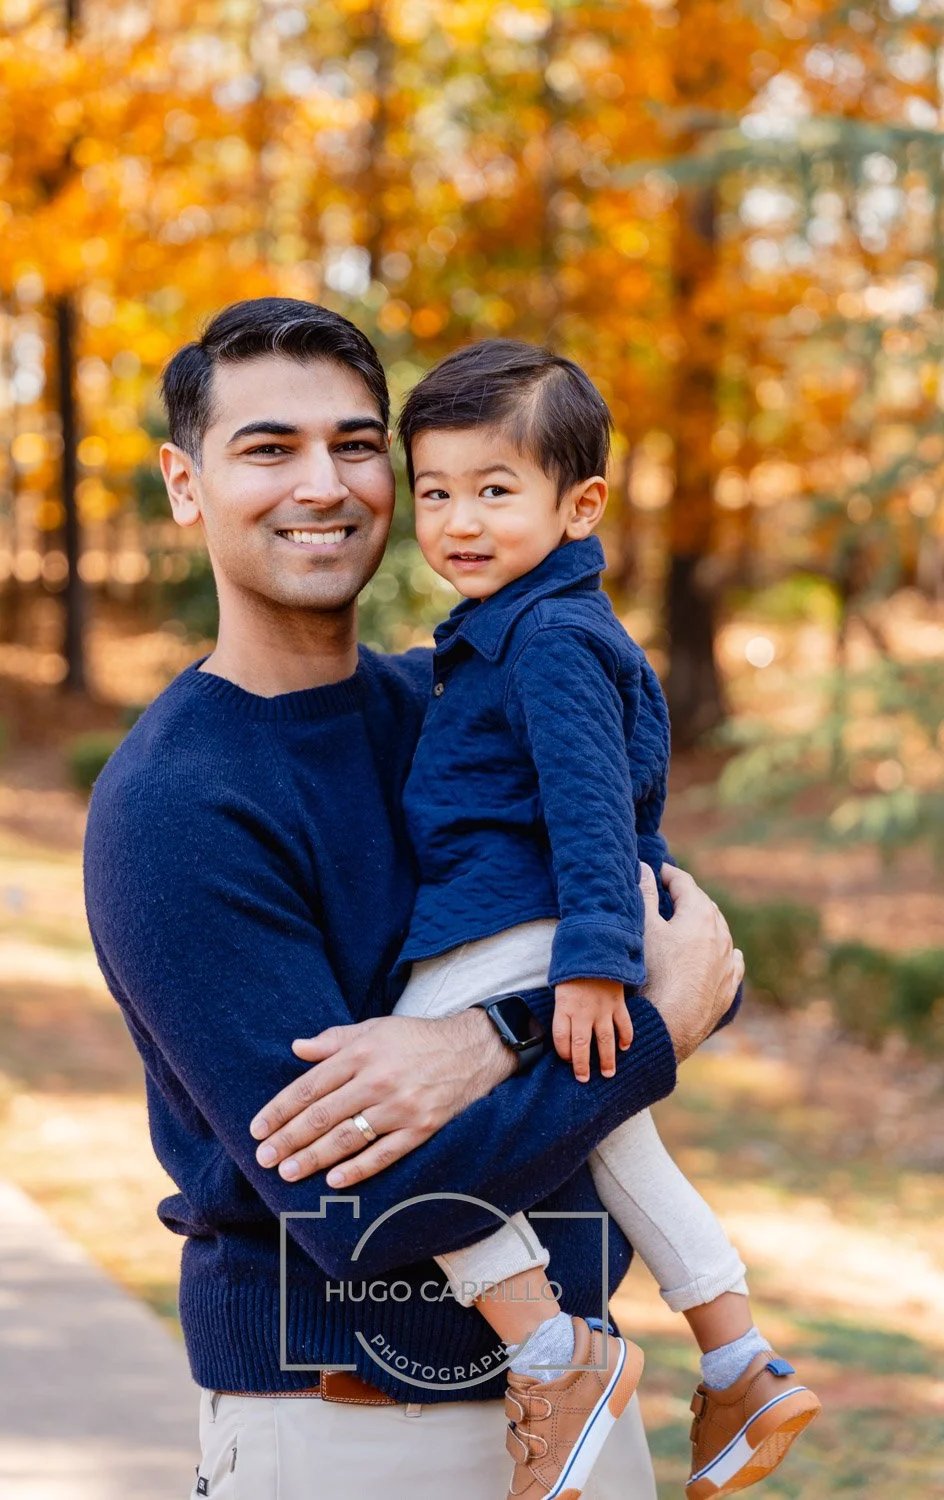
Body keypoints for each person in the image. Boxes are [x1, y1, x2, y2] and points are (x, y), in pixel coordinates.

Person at [83, 298, 743, 1500]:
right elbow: (361, 1205)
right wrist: (640, 1031)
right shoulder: (176, 806)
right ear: (185, 484)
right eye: (268, 448)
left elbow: (676, 945)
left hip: (585, 1408)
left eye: (354, 445)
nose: (323, 484)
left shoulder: (453, 701)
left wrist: (491, 1043)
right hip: (351, 1427)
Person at [346, 338, 818, 1500]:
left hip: (523, 935)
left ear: (578, 504)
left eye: (494, 490)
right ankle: (741, 1358)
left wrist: (596, 966)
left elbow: (592, 813)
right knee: (618, 1149)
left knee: (383, 1125)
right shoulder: (511, 632)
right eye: (437, 492)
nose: (457, 519)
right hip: (537, 933)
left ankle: (553, 1353)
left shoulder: (549, 643)